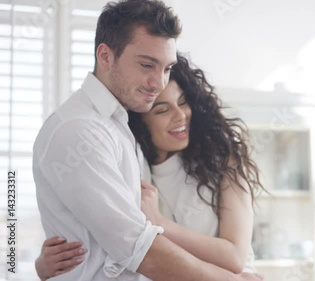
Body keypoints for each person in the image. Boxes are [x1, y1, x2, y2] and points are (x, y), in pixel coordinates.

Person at [32, 0, 264, 280]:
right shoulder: (79, 130)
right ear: (105, 56)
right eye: (146, 65)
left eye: (166, 69)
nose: (158, 83)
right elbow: (140, 248)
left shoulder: (121, 129)